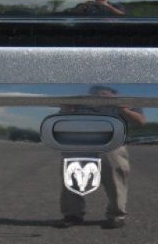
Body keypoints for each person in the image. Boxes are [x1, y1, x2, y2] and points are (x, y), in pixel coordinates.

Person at [59, 86, 145, 229]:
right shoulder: (80, 102)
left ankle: (116, 215)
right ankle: (72, 214)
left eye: (106, 90)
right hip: (80, 142)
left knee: (115, 179)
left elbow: (140, 121)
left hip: (112, 142)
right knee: (72, 176)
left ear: (114, 93)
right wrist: (66, 108)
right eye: (97, 90)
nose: (101, 93)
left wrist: (122, 109)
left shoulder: (125, 101)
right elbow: (62, 120)